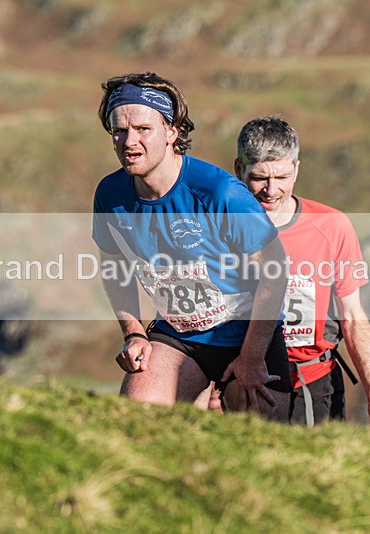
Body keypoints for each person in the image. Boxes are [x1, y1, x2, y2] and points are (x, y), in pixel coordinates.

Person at [92, 72, 291, 419]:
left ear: (172, 131)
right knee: (136, 420)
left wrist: (251, 357)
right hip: (179, 335)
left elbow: (275, 273)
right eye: (119, 130)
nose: (128, 141)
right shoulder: (110, 195)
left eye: (143, 129)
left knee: (265, 441)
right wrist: (134, 333)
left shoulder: (220, 193)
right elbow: (114, 268)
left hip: (247, 333)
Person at [234, 115, 370, 428]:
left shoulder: (332, 226)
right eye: (259, 178)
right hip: (243, 378)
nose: (271, 190)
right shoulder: (222, 228)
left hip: (313, 383)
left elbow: (352, 316)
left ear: (296, 169)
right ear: (239, 169)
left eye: (282, 177)